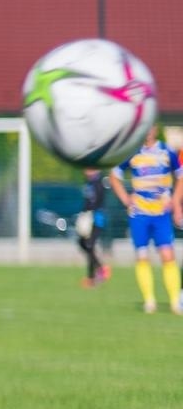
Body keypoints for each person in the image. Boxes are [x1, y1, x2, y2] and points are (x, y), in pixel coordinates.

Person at [109, 126, 183, 313]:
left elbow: (180, 177)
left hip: (161, 212)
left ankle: (175, 302)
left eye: (149, 127)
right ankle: (149, 301)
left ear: (155, 129)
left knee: (167, 254)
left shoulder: (167, 151)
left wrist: (176, 203)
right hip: (139, 212)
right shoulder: (132, 152)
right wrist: (126, 199)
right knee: (142, 255)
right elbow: (114, 176)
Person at [75, 167, 110, 288]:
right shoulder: (88, 182)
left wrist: (89, 212)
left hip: (96, 219)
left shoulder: (99, 182)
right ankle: (100, 267)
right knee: (83, 243)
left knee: (89, 245)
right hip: (89, 216)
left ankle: (91, 277)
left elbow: (98, 201)